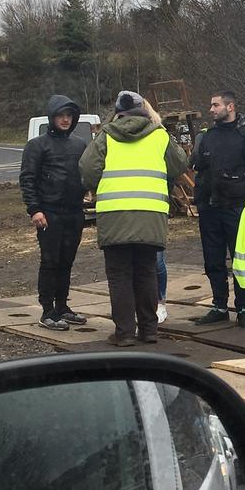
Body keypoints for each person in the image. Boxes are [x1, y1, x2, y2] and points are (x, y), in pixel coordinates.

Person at [80, 91, 188, 347]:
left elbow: (86, 168)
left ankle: (125, 333)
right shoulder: (159, 135)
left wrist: (101, 184)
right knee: (146, 272)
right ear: (143, 111)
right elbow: (179, 165)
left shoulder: (106, 136)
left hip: (114, 215)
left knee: (119, 276)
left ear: (118, 112)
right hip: (150, 215)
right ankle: (149, 331)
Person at [190, 90, 245, 330]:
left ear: (230, 106)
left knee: (241, 261)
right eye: (211, 105)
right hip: (210, 209)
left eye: (215, 105)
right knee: (212, 260)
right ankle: (219, 307)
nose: (211, 109)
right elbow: (199, 168)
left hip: (237, 209)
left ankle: (244, 308)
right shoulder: (208, 137)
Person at [19, 95, 89, 331]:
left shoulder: (80, 144)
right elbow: (27, 179)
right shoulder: (37, 145)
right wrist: (34, 209)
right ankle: (47, 310)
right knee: (50, 261)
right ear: (52, 117)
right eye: (61, 115)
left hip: (74, 211)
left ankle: (62, 306)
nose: (66, 120)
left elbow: (86, 173)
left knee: (66, 261)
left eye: (69, 116)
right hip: (49, 212)